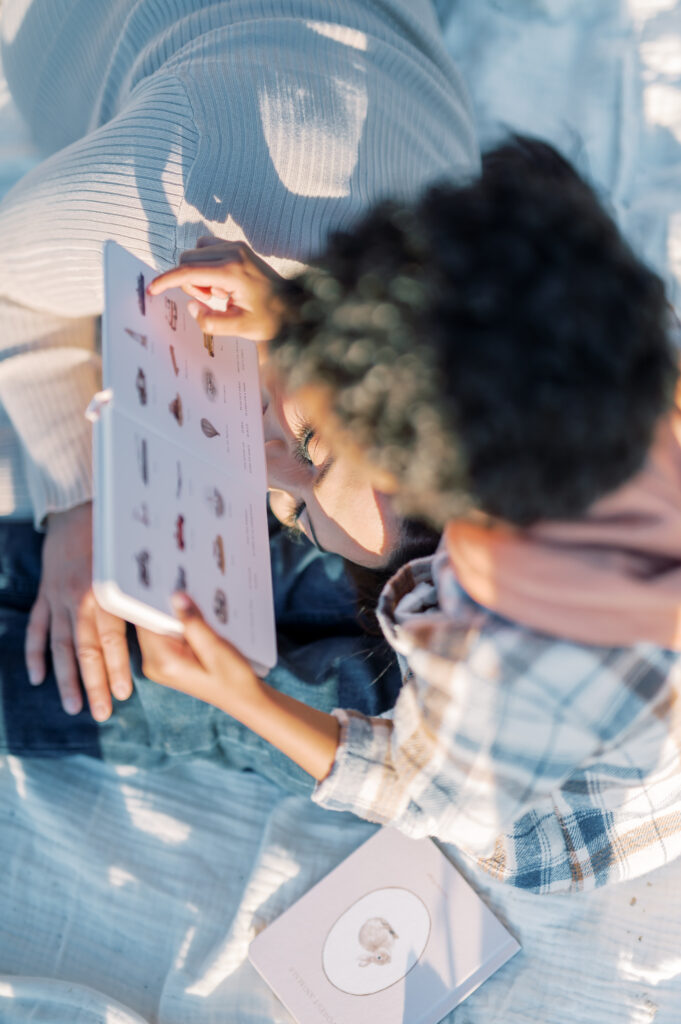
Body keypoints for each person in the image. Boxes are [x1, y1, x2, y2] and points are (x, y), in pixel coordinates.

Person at [139, 137, 681, 893]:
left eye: (316, 442)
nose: (258, 459)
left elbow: (423, 791)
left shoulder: (502, 645)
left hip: (525, 802)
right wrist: (308, 323)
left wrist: (244, 699)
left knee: (170, 690)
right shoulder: (598, 346)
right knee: (270, 575)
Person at [0, 0, 478, 721]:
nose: (254, 457)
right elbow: (10, 286)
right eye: (312, 447)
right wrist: (78, 496)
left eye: (291, 511)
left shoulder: (474, 255)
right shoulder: (186, 195)